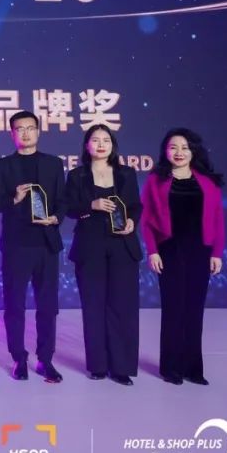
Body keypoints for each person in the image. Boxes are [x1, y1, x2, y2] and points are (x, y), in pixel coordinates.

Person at [140, 128, 226, 386]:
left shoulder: (208, 182)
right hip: (169, 250)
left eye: (185, 147)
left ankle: (193, 369)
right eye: (173, 147)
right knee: (173, 308)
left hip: (200, 250)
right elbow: (147, 220)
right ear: (165, 151)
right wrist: (153, 251)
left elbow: (218, 219)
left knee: (194, 310)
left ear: (193, 151)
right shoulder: (156, 180)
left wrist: (217, 253)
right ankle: (170, 368)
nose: (179, 152)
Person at [0, 111, 66, 383]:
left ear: (38, 131)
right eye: (19, 129)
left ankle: (46, 359)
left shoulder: (53, 164)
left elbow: (63, 201)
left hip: (46, 243)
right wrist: (14, 198)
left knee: (48, 306)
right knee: (15, 305)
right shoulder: (2, 167)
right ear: (12, 134)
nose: (25, 133)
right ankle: (18, 359)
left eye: (30, 128)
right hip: (16, 244)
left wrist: (55, 217)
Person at [65, 124, 142, 385]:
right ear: (87, 145)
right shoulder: (77, 175)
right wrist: (92, 205)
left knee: (123, 307)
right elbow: (69, 208)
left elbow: (135, 206)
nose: (100, 144)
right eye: (95, 140)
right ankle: (97, 365)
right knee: (93, 306)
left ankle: (121, 367)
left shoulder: (126, 173)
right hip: (91, 245)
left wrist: (131, 221)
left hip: (122, 245)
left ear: (113, 145)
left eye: (105, 140)